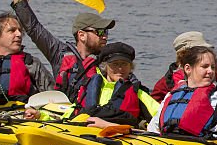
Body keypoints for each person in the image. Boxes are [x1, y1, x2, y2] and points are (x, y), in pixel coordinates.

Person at [7, 0, 115, 99]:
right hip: (63, 113)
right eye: (100, 32)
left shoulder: (108, 60)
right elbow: (34, 28)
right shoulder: (58, 53)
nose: (104, 36)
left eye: (106, 32)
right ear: (81, 35)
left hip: (92, 114)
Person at [27, 42, 160, 129]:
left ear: (131, 67)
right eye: (115, 64)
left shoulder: (138, 93)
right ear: (105, 67)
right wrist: (40, 115)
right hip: (86, 135)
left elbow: (159, 116)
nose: (120, 69)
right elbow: (71, 112)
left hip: (118, 139)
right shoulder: (89, 87)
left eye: (124, 64)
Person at [150, 31, 217, 102]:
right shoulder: (169, 81)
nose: (210, 70)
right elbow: (154, 103)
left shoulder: (215, 71)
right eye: (201, 50)